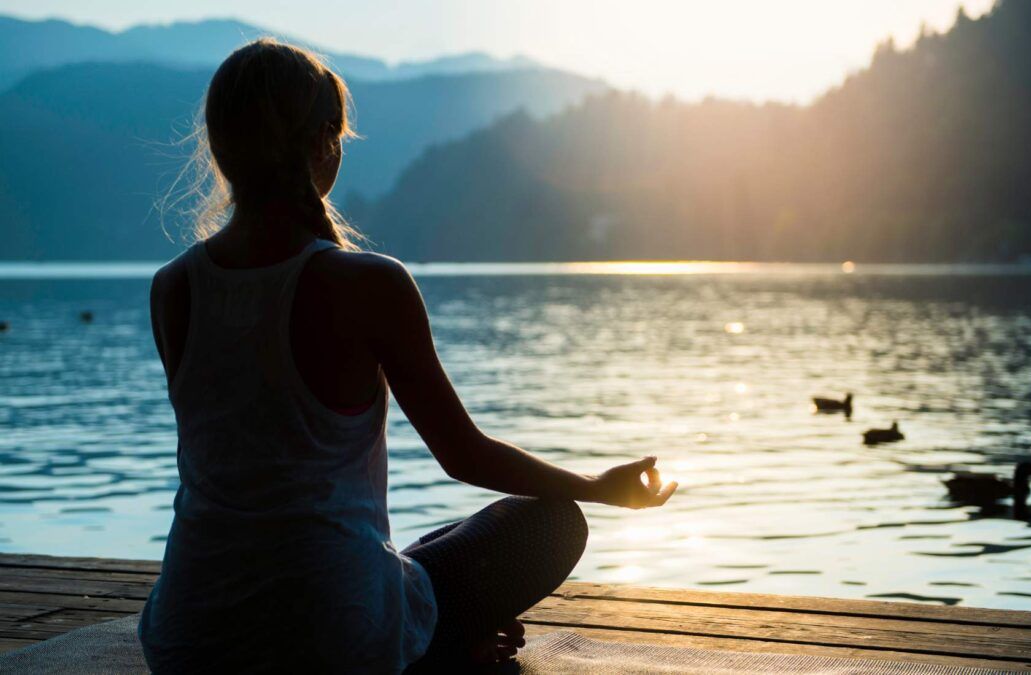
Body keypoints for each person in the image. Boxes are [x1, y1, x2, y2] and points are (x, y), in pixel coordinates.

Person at [138, 38, 677, 673]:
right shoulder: (369, 282)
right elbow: (463, 455)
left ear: (223, 151)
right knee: (552, 522)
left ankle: (431, 625)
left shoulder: (174, 288)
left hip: (188, 640)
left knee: (420, 551)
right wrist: (596, 488)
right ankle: (440, 642)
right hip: (332, 639)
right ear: (321, 145)